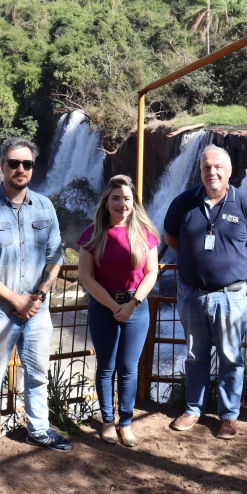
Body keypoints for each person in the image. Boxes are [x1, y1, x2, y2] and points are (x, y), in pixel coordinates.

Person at [0, 137, 71, 478]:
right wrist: (16, 300)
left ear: (32, 168)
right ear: (2, 166)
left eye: (27, 164)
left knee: (38, 375)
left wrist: (37, 295)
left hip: (37, 311)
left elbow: (56, 254)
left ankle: (38, 430)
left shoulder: (45, 207)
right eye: (14, 163)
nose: (20, 169)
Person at [163, 145, 247, 439]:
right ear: (200, 171)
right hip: (191, 293)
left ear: (229, 171)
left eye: (218, 166)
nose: (212, 172)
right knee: (195, 355)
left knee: (231, 356)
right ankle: (193, 409)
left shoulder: (244, 204)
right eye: (206, 167)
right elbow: (171, 238)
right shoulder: (184, 202)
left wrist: (226, 263)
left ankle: (228, 416)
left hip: (230, 295)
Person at [77, 175, 159, 447]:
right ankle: (108, 421)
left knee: (128, 368)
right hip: (104, 307)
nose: (121, 204)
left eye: (126, 199)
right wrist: (114, 306)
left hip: (136, 307)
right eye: (115, 198)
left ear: (134, 203)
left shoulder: (145, 233)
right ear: (106, 202)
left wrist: (132, 304)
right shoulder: (93, 234)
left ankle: (126, 422)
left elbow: (151, 273)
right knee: (106, 367)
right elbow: (85, 276)